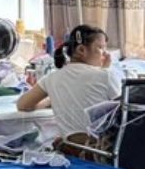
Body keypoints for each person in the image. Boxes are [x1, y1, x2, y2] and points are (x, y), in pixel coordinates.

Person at [17, 24, 122, 157]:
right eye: (100, 48)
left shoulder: (52, 77)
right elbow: (123, 114)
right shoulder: (105, 75)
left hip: (72, 152)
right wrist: (105, 70)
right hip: (101, 154)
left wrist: (51, 98)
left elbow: (23, 105)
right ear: (81, 50)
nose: (106, 54)